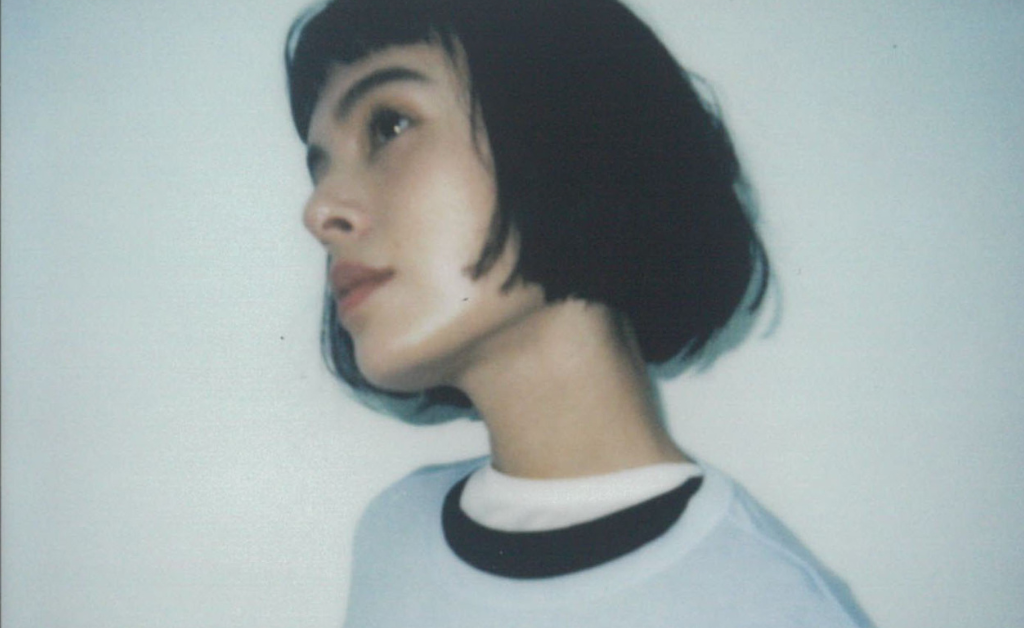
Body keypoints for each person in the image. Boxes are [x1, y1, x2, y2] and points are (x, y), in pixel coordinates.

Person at [286, 0, 874, 625]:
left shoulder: (772, 608)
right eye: (320, 168)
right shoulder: (392, 537)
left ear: (569, 136)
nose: (318, 212)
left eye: (389, 126)